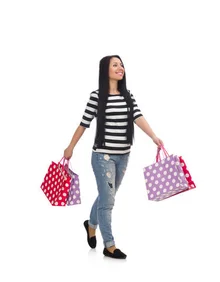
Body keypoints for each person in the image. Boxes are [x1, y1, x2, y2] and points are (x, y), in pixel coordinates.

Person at [63, 55, 163, 259]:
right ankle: (109, 245)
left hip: (124, 156)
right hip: (103, 157)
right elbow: (84, 123)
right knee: (108, 201)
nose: (120, 68)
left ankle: (91, 225)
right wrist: (70, 147)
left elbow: (138, 116)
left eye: (122, 65)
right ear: (105, 70)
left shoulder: (128, 95)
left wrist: (154, 136)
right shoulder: (97, 96)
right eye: (115, 65)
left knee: (106, 196)